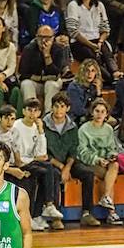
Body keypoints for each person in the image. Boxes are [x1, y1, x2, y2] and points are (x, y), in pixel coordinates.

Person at [43, 91, 101, 226]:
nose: (59, 110)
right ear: (52, 107)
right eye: (56, 106)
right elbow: (43, 151)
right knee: (55, 175)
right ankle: (56, 217)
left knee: (88, 173)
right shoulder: (44, 125)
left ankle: (87, 213)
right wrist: (62, 167)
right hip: (50, 162)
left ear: (67, 108)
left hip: (68, 161)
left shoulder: (72, 126)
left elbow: (74, 150)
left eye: (62, 106)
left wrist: (67, 167)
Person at [13, 98, 66, 230]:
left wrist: (41, 131)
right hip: (19, 163)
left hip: (32, 161)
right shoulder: (17, 126)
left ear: (39, 113)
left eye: (35, 111)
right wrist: (34, 158)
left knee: (53, 172)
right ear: (23, 111)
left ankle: (38, 214)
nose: (32, 114)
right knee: (47, 169)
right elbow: (17, 157)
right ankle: (47, 205)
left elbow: (43, 154)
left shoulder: (37, 127)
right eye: (29, 110)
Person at [77, 98, 123, 224]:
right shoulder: (84, 129)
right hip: (90, 162)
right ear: (92, 112)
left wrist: (111, 156)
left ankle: (106, 197)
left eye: (103, 112)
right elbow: (82, 152)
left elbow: (112, 148)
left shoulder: (108, 129)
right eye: (97, 111)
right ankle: (112, 213)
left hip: (105, 162)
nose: (99, 114)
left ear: (107, 114)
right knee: (108, 177)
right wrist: (97, 160)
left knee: (115, 165)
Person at [65, 0, 122, 83]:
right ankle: (109, 78)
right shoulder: (73, 5)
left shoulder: (99, 6)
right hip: (79, 42)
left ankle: (115, 73)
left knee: (106, 53)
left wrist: (100, 41)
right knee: (92, 56)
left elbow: (105, 28)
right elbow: (73, 31)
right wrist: (91, 45)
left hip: (97, 39)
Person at [19, 25, 67, 113]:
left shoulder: (58, 50)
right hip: (35, 83)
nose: (44, 40)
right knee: (26, 84)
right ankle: (31, 113)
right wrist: (40, 78)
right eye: (41, 37)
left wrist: (47, 55)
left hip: (52, 82)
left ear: (53, 38)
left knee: (51, 84)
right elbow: (23, 73)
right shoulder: (29, 49)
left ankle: (48, 116)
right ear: (36, 37)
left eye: (48, 38)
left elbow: (56, 74)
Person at [67, 58, 103, 124]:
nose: (90, 74)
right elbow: (78, 111)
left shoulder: (94, 86)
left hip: (91, 116)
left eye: (93, 71)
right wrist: (94, 113)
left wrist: (98, 91)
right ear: (82, 72)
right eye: (87, 71)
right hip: (76, 119)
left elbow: (100, 106)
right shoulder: (74, 87)